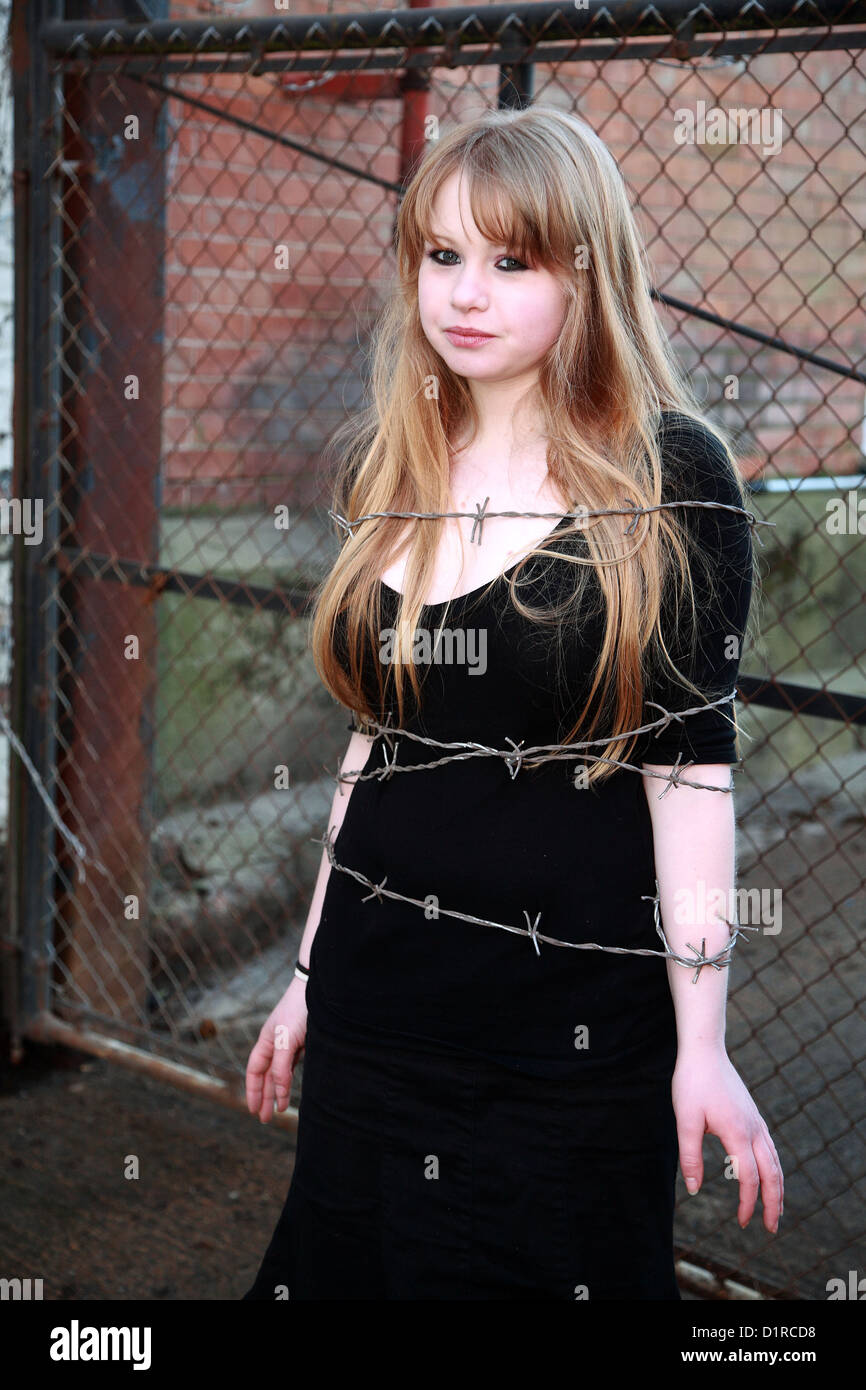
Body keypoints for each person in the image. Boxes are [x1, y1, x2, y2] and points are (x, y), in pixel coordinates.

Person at [241, 104, 783, 1301]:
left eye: (509, 260)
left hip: (562, 1042)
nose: (463, 293)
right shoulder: (394, 458)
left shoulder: (670, 475)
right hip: (377, 1018)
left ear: (586, 273)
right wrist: (306, 974)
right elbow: (373, 746)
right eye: (441, 256)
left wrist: (701, 1047)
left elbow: (685, 770)